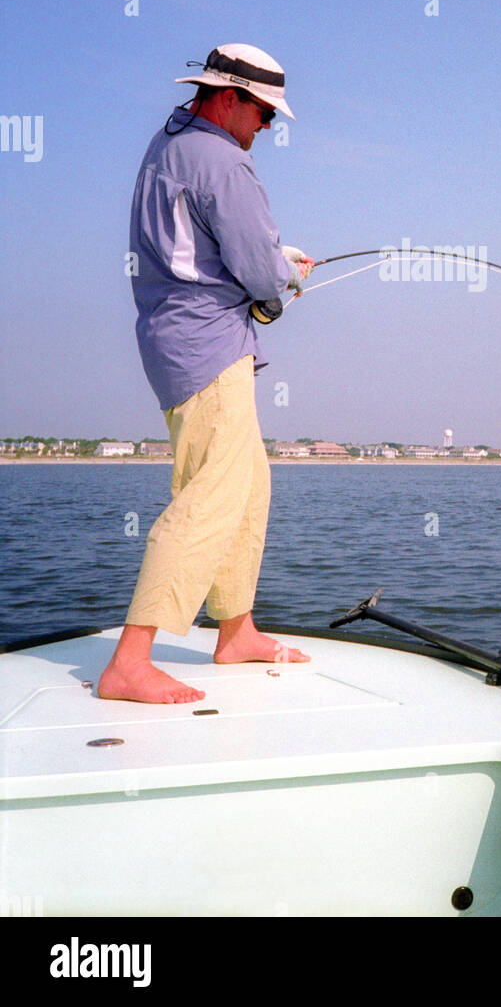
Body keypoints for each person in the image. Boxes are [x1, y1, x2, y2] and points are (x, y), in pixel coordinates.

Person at [98, 43, 313, 703]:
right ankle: (131, 661)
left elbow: (207, 247)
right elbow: (258, 273)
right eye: (264, 113)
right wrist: (284, 278)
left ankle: (235, 630)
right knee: (211, 495)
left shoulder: (172, 142)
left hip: (179, 338)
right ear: (229, 98)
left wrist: (273, 267)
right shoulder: (224, 162)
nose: (268, 128)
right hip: (208, 347)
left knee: (248, 484)